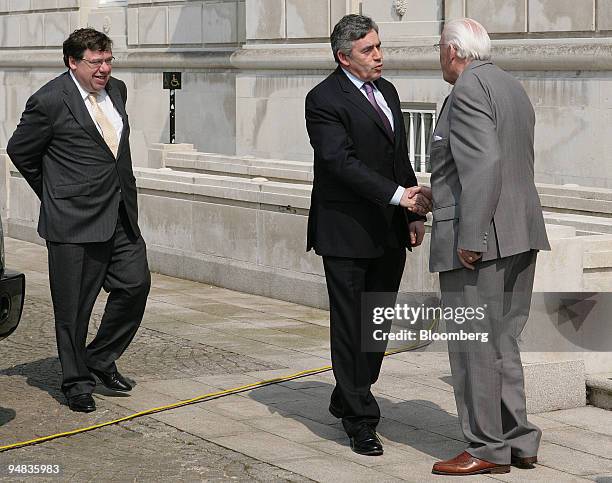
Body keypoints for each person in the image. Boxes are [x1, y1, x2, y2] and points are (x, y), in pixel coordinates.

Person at [428, 18, 550, 475]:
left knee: (473, 345)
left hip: (484, 238)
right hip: (519, 230)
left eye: (439, 47)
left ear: (454, 51)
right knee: (502, 341)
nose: (438, 55)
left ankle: (485, 447)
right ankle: (518, 440)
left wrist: (472, 236)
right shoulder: (509, 84)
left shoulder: (467, 89)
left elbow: (483, 163)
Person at [305, 14, 432, 456]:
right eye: (368, 50)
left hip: (389, 228)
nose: (379, 56)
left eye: (379, 46)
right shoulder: (323, 99)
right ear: (344, 57)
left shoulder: (388, 91)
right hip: (344, 231)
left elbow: (398, 155)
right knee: (351, 324)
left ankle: (347, 393)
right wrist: (400, 196)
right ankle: (361, 420)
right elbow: (340, 163)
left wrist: (413, 211)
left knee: (376, 322)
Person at [7, 28, 150, 413]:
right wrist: (55, 195)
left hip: (119, 213)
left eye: (108, 60)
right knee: (73, 309)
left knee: (136, 285)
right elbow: (20, 150)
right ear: (73, 62)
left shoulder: (117, 89)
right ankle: (75, 381)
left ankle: (100, 358)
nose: (104, 68)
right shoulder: (50, 100)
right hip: (72, 221)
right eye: (95, 61)